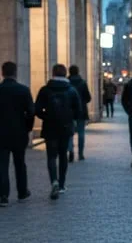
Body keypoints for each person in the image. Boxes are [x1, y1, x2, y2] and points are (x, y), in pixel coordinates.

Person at [35, 64, 81, 200]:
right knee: (63, 155)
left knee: (51, 156)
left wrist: (46, 117)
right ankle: (61, 184)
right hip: (65, 127)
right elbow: (78, 110)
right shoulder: (71, 90)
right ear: (65, 74)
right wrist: (70, 118)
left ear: (53, 73)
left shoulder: (45, 90)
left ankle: (53, 181)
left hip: (50, 127)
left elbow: (37, 109)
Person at [0, 62, 35, 207]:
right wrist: (27, 128)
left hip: (1, 133)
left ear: (2, 73)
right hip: (19, 132)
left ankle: (3, 195)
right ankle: (22, 192)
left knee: (2, 164)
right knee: (20, 163)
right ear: (15, 73)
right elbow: (31, 112)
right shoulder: (23, 90)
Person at [67, 65, 92, 161]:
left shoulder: (67, 83)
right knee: (81, 132)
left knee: (70, 133)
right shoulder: (83, 83)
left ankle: (71, 151)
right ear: (78, 72)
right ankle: (81, 153)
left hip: (69, 111)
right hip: (81, 111)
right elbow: (88, 98)